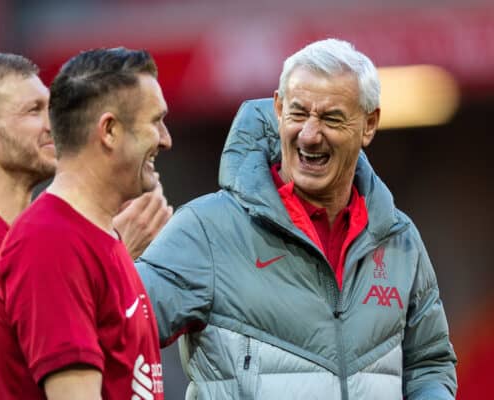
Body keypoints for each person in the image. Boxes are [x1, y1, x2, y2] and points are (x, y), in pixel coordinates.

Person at [136, 39, 457, 399]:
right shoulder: (206, 231)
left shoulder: (400, 240)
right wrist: (111, 248)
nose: (309, 135)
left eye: (331, 118)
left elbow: (429, 365)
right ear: (277, 109)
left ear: (369, 125)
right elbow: (113, 333)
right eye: (298, 113)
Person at [0, 53, 170, 400]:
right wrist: (111, 249)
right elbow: (48, 343)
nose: (52, 124)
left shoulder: (28, 231)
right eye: (34, 110)